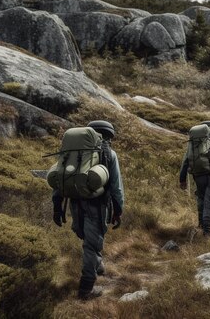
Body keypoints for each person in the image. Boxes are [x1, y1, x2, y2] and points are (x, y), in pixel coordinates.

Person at [51, 120, 124, 300]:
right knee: (91, 245)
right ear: (108, 136)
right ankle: (86, 288)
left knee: (86, 237)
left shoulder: (71, 153)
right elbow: (116, 186)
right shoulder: (108, 154)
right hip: (97, 205)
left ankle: (97, 266)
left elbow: (60, 180)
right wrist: (118, 210)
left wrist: (57, 207)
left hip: (75, 202)